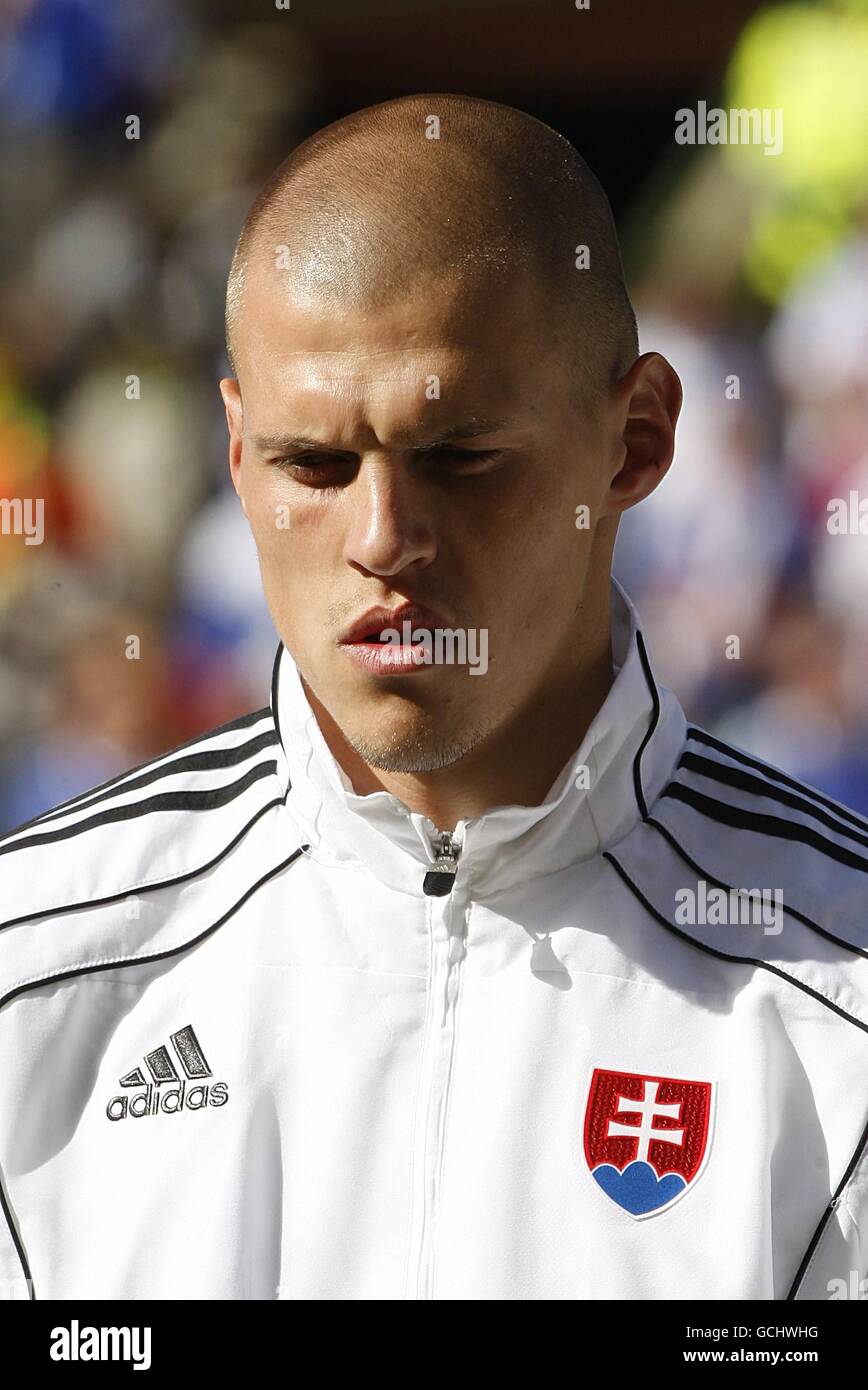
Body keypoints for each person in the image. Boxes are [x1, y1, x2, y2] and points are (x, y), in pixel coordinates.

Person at [1, 93, 866, 1302]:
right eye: (314, 463)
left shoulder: (840, 997)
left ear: (637, 441)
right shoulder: (33, 969)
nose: (383, 536)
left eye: (460, 457)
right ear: (237, 457)